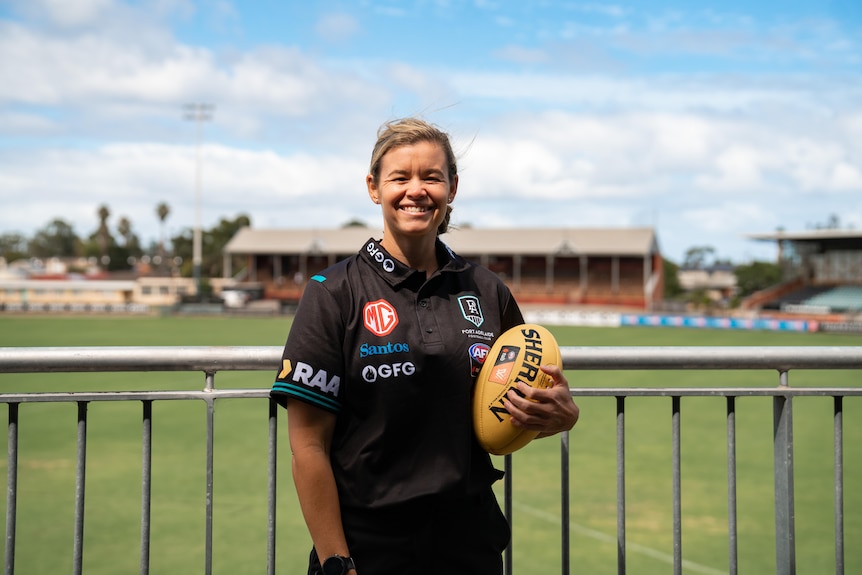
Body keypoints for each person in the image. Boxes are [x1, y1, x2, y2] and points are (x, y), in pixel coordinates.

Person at [271, 117, 580, 575]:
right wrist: (337, 560)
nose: (416, 190)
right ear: (374, 188)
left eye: (431, 177)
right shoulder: (333, 291)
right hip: (368, 543)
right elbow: (307, 446)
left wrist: (561, 417)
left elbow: (518, 399)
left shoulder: (486, 289)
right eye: (400, 177)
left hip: (468, 540)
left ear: (452, 188)